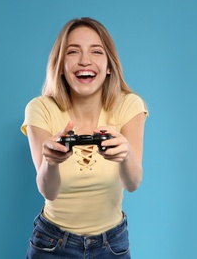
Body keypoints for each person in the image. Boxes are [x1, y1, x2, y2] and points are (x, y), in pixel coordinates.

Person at [21, 17, 148, 258]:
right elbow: (48, 191)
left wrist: (125, 154)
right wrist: (51, 161)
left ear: (109, 65)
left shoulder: (130, 106)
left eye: (96, 52)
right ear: (60, 65)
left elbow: (132, 184)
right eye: (73, 52)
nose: (85, 61)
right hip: (51, 243)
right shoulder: (40, 109)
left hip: (112, 243)